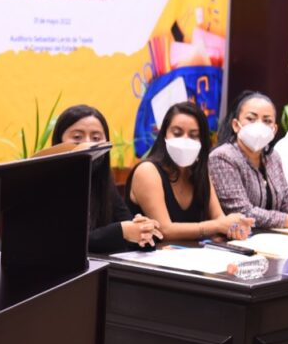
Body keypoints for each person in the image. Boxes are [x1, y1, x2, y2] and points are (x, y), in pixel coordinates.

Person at [125, 102, 253, 241]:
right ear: (164, 135)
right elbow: (164, 230)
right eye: (177, 133)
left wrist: (234, 227)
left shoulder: (199, 171)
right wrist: (217, 226)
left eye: (193, 135)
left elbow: (219, 219)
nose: (185, 140)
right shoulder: (147, 171)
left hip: (193, 252)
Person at [51, 104, 162, 252]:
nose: (88, 143)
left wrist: (143, 230)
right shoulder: (46, 183)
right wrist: (122, 231)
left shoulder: (104, 182)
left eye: (96, 138)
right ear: (59, 141)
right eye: (77, 137)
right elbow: (66, 242)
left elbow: (127, 226)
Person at [209, 91, 288, 229]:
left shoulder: (273, 157)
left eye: (267, 121)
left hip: (272, 236)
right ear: (235, 125)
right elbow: (242, 212)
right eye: (251, 119)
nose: (259, 125)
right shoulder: (223, 157)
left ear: (274, 129)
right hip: (238, 237)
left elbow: (287, 200)